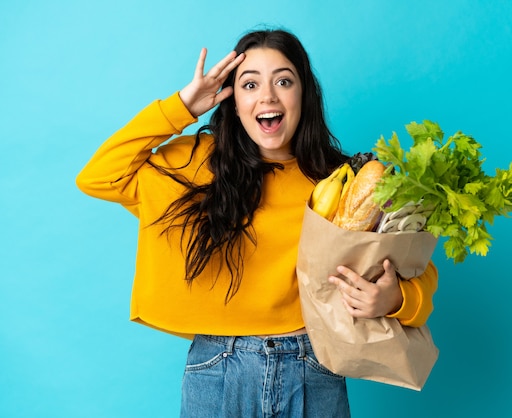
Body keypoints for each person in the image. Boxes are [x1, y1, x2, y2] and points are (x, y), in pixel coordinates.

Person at [76, 28, 438, 418]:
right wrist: (181, 107)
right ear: (233, 102)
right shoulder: (194, 162)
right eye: (249, 84)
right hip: (217, 367)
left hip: (313, 366)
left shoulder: (342, 178)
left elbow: (414, 267)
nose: (268, 96)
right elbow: (98, 175)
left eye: (284, 81)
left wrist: (397, 299)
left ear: (304, 95)